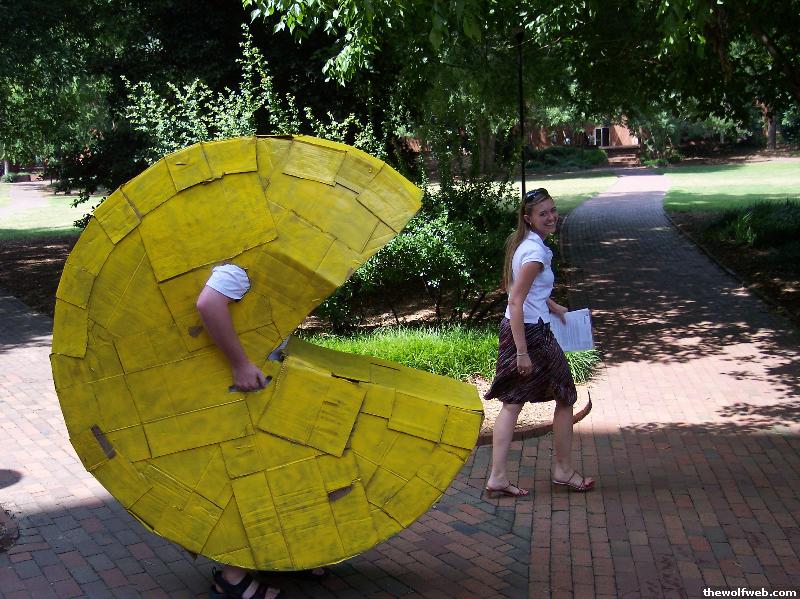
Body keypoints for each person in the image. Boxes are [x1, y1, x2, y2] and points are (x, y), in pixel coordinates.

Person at [197, 264, 326, 598]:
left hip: (264, 388)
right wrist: (240, 364)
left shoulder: (267, 265)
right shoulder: (241, 267)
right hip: (245, 393)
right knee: (250, 480)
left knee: (284, 476)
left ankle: (276, 555)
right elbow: (208, 304)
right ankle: (232, 575)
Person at [484, 188, 595, 497]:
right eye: (542, 213)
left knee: (512, 404)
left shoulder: (525, 245)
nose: (551, 217)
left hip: (522, 329)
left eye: (552, 210)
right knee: (565, 397)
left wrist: (552, 305)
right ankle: (562, 470)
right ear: (528, 218)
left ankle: (498, 477)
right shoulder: (534, 253)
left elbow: (524, 292)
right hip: (532, 335)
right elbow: (515, 300)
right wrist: (522, 352)